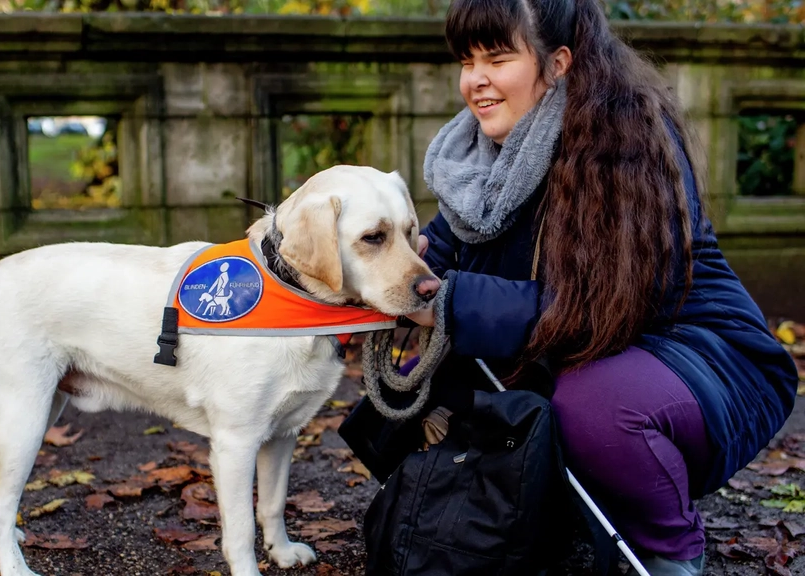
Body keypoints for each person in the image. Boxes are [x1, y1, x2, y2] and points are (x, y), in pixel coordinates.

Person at [341, 0, 800, 574]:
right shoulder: (476, 157)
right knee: (407, 405)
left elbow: (599, 310)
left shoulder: (628, 142)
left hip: (700, 356)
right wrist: (386, 271)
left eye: (498, 57)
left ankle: (667, 548)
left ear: (558, 63)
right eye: (466, 60)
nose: (475, 80)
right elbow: (438, 262)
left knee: (592, 408)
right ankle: (561, 512)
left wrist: (446, 302)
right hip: (586, 355)